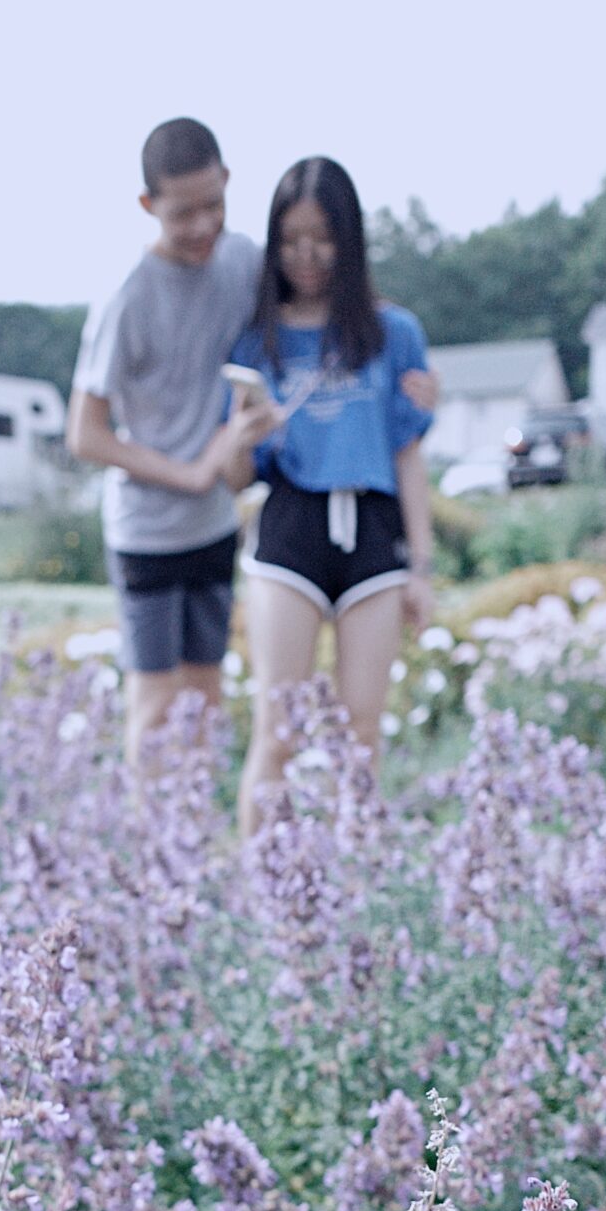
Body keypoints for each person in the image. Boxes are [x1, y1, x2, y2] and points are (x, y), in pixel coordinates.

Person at [229, 156, 437, 835]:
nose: (307, 255)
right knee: (279, 726)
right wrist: (240, 435)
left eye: (322, 238)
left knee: (361, 731)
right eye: (290, 240)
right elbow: (239, 477)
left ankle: (351, 894)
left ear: (348, 240)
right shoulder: (257, 341)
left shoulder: (392, 333)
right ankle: (260, 895)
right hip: (291, 526)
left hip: (373, 531)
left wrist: (423, 569)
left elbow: (408, 453)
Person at [67, 118, 276, 770]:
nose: (202, 226)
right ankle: (156, 853)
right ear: (148, 206)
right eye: (183, 213)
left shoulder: (243, 259)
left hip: (213, 527)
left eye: (214, 205)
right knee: (156, 705)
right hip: (147, 533)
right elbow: (85, 434)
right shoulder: (126, 299)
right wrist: (187, 474)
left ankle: (198, 838)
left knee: (208, 698)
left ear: (228, 185)